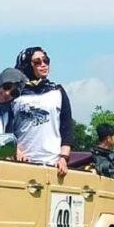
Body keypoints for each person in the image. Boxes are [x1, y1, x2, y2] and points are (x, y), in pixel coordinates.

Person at [12, 47, 75, 178]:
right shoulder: (14, 93)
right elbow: (6, 127)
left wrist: (64, 157)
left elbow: (67, 127)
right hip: (22, 161)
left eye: (46, 60)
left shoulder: (56, 91)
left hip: (53, 162)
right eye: (37, 62)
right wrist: (15, 150)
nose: (43, 65)